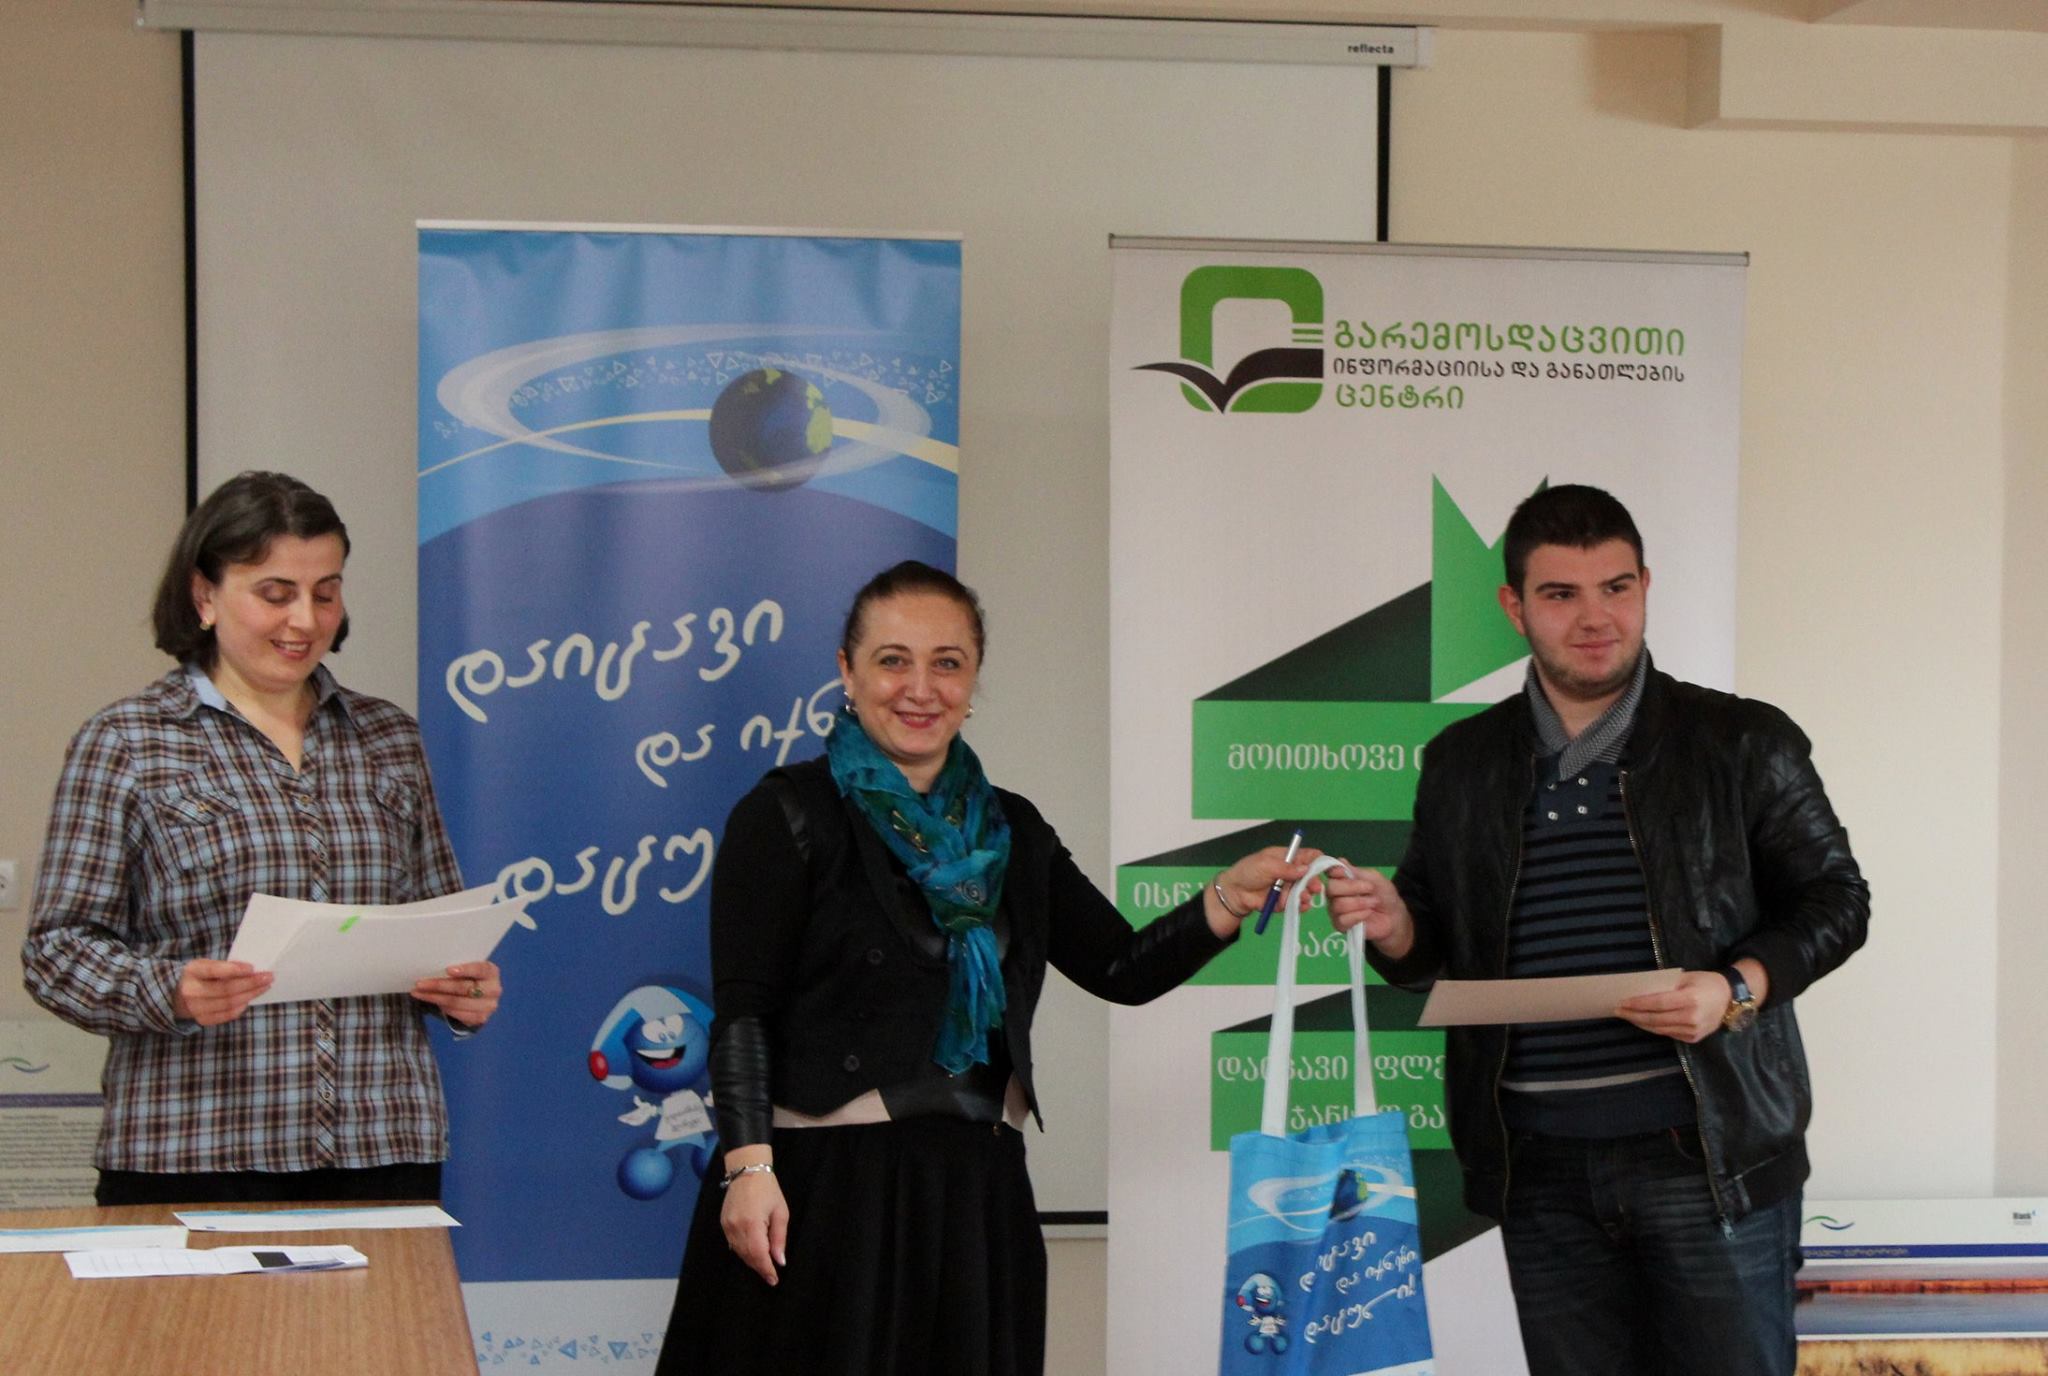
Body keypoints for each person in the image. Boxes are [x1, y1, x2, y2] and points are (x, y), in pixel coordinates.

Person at [654, 560, 1316, 1376]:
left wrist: (1228, 896)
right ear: (847, 672)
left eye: (947, 662)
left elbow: (1122, 967)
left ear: (973, 681)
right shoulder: (787, 812)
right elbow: (744, 1011)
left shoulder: (1015, 831)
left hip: (976, 1195)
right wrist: (749, 1169)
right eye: (893, 660)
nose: (920, 688)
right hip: (829, 1193)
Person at [1326, 484, 1869, 1376]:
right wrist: (1392, 923)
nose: (1595, 618)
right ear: (1514, 607)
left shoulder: (1742, 740)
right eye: (1561, 594)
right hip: (1537, 1167)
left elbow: (1837, 900)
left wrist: (1735, 987)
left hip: (1707, 1155)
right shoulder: (1461, 761)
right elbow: (1433, 948)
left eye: (1616, 588)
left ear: (1645, 587)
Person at [21, 470, 501, 1205]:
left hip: (382, 1144)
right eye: (276, 593)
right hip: (193, 1150)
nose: (305, 620)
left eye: (326, 592)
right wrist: (170, 990)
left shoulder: (389, 738)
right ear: (204, 595)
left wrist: (461, 990)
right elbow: (56, 952)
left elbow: (437, 924)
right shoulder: (127, 741)